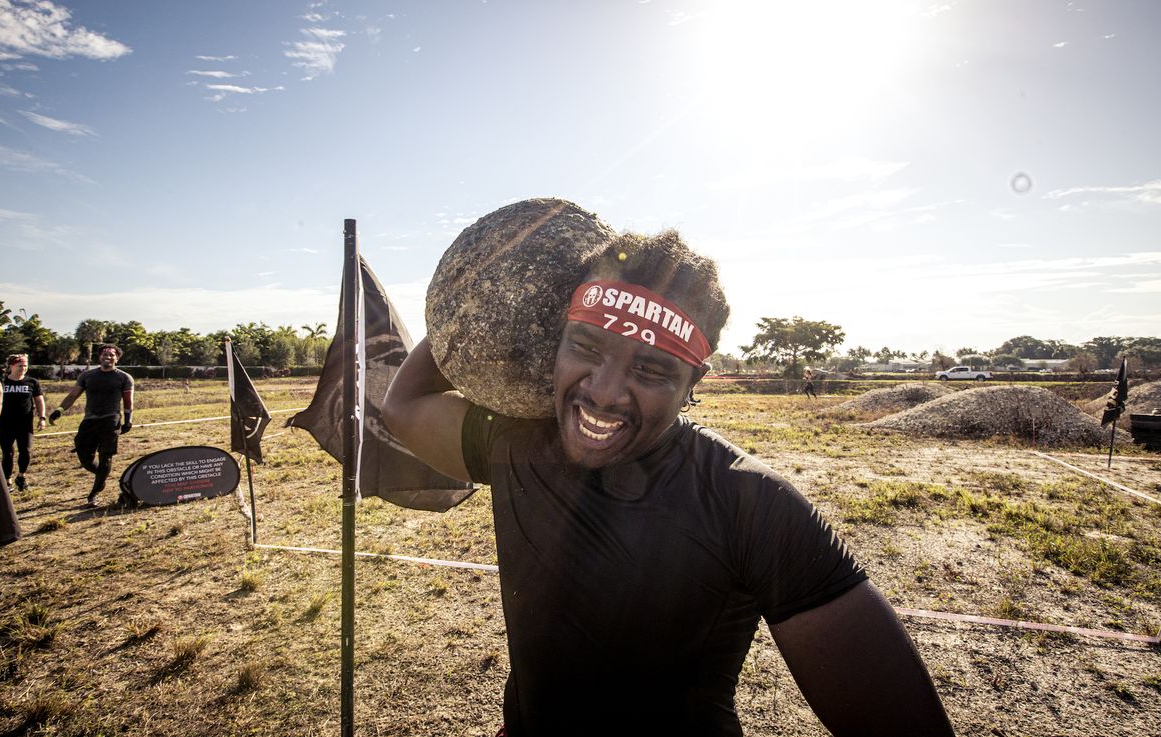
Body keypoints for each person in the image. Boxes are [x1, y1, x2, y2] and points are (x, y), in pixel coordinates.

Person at [384, 230, 953, 736]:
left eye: (651, 370)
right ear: (553, 345)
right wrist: (485, 297)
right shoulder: (515, 446)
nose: (604, 392)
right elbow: (402, 406)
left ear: (692, 383)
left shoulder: (751, 504)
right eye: (585, 348)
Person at [49, 344, 135, 507]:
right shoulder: (87, 376)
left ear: (117, 358)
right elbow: (73, 395)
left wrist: (128, 420)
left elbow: (128, 401)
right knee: (85, 458)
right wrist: (59, 410)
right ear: (99, 357)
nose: (108, 356)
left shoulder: (124, 378)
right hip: (89, 421)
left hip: (111, 421)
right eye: (105, 354)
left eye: (112, 355)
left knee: (105, 457)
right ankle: (102, 476)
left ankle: (94, 493)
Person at [0, 354, 46, 491]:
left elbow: (39, 400)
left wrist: (42, 418)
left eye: (25, 365)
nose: (23, 368)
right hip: (4, 423)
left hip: (25, 424)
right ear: (11, 366)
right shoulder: (2, 382)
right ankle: (7, 481)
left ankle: (21, 476)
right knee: (8, 453)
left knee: (26, 451)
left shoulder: (32, 382)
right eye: (20, 365)